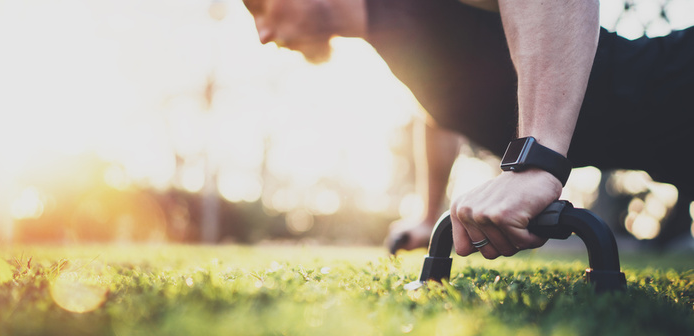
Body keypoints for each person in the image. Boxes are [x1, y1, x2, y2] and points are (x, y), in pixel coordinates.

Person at [243, 0, 694, 257]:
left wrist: (534, 161)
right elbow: (437, 114)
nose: (262, 33)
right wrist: (426, 214)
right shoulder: (390, 37)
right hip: (667, 153)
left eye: (259, 5)